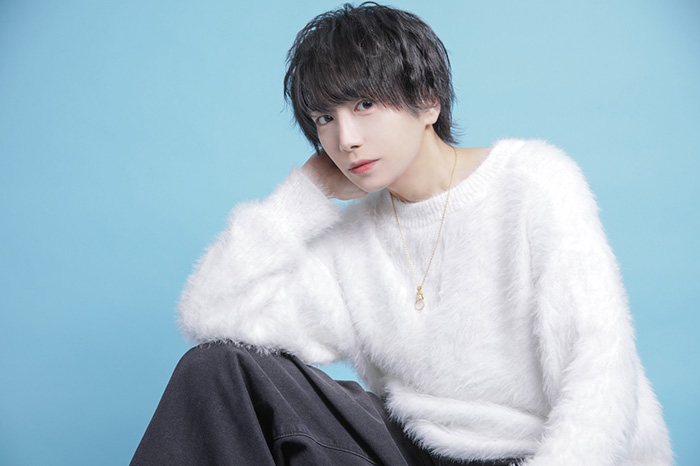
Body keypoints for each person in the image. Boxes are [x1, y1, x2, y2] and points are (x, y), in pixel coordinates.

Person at [131, 3, 672, 465]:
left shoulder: (531, 182)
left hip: (536, 452)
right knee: (217, 370)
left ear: (428, 102)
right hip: (413, 450)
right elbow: (208, 316)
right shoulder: (349, 243)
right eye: (323, 118)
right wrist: (302, 196)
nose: (345, 139)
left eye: (364, 104)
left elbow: (598, 372)